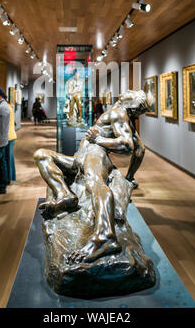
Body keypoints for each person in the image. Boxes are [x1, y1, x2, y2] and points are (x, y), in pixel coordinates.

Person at [34, 89, 151, 264]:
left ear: (130, 103)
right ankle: (65, 195)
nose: (125, 92)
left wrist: (99, 141)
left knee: (96, 184)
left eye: (130, 94)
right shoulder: (122, 115)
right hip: (79, 158)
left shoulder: (118, 113)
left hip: (95, 155)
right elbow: (140, 149)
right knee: (42, 155)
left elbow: (127, 146)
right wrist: (130, 177)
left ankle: (105, 237)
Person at [6, 101, 17, 183]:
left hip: (8, 136)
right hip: (11, 136)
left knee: (8, 158)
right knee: (10, 158)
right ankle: (11, 176)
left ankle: (9, 178)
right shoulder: (9, 107)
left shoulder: (6, 107)